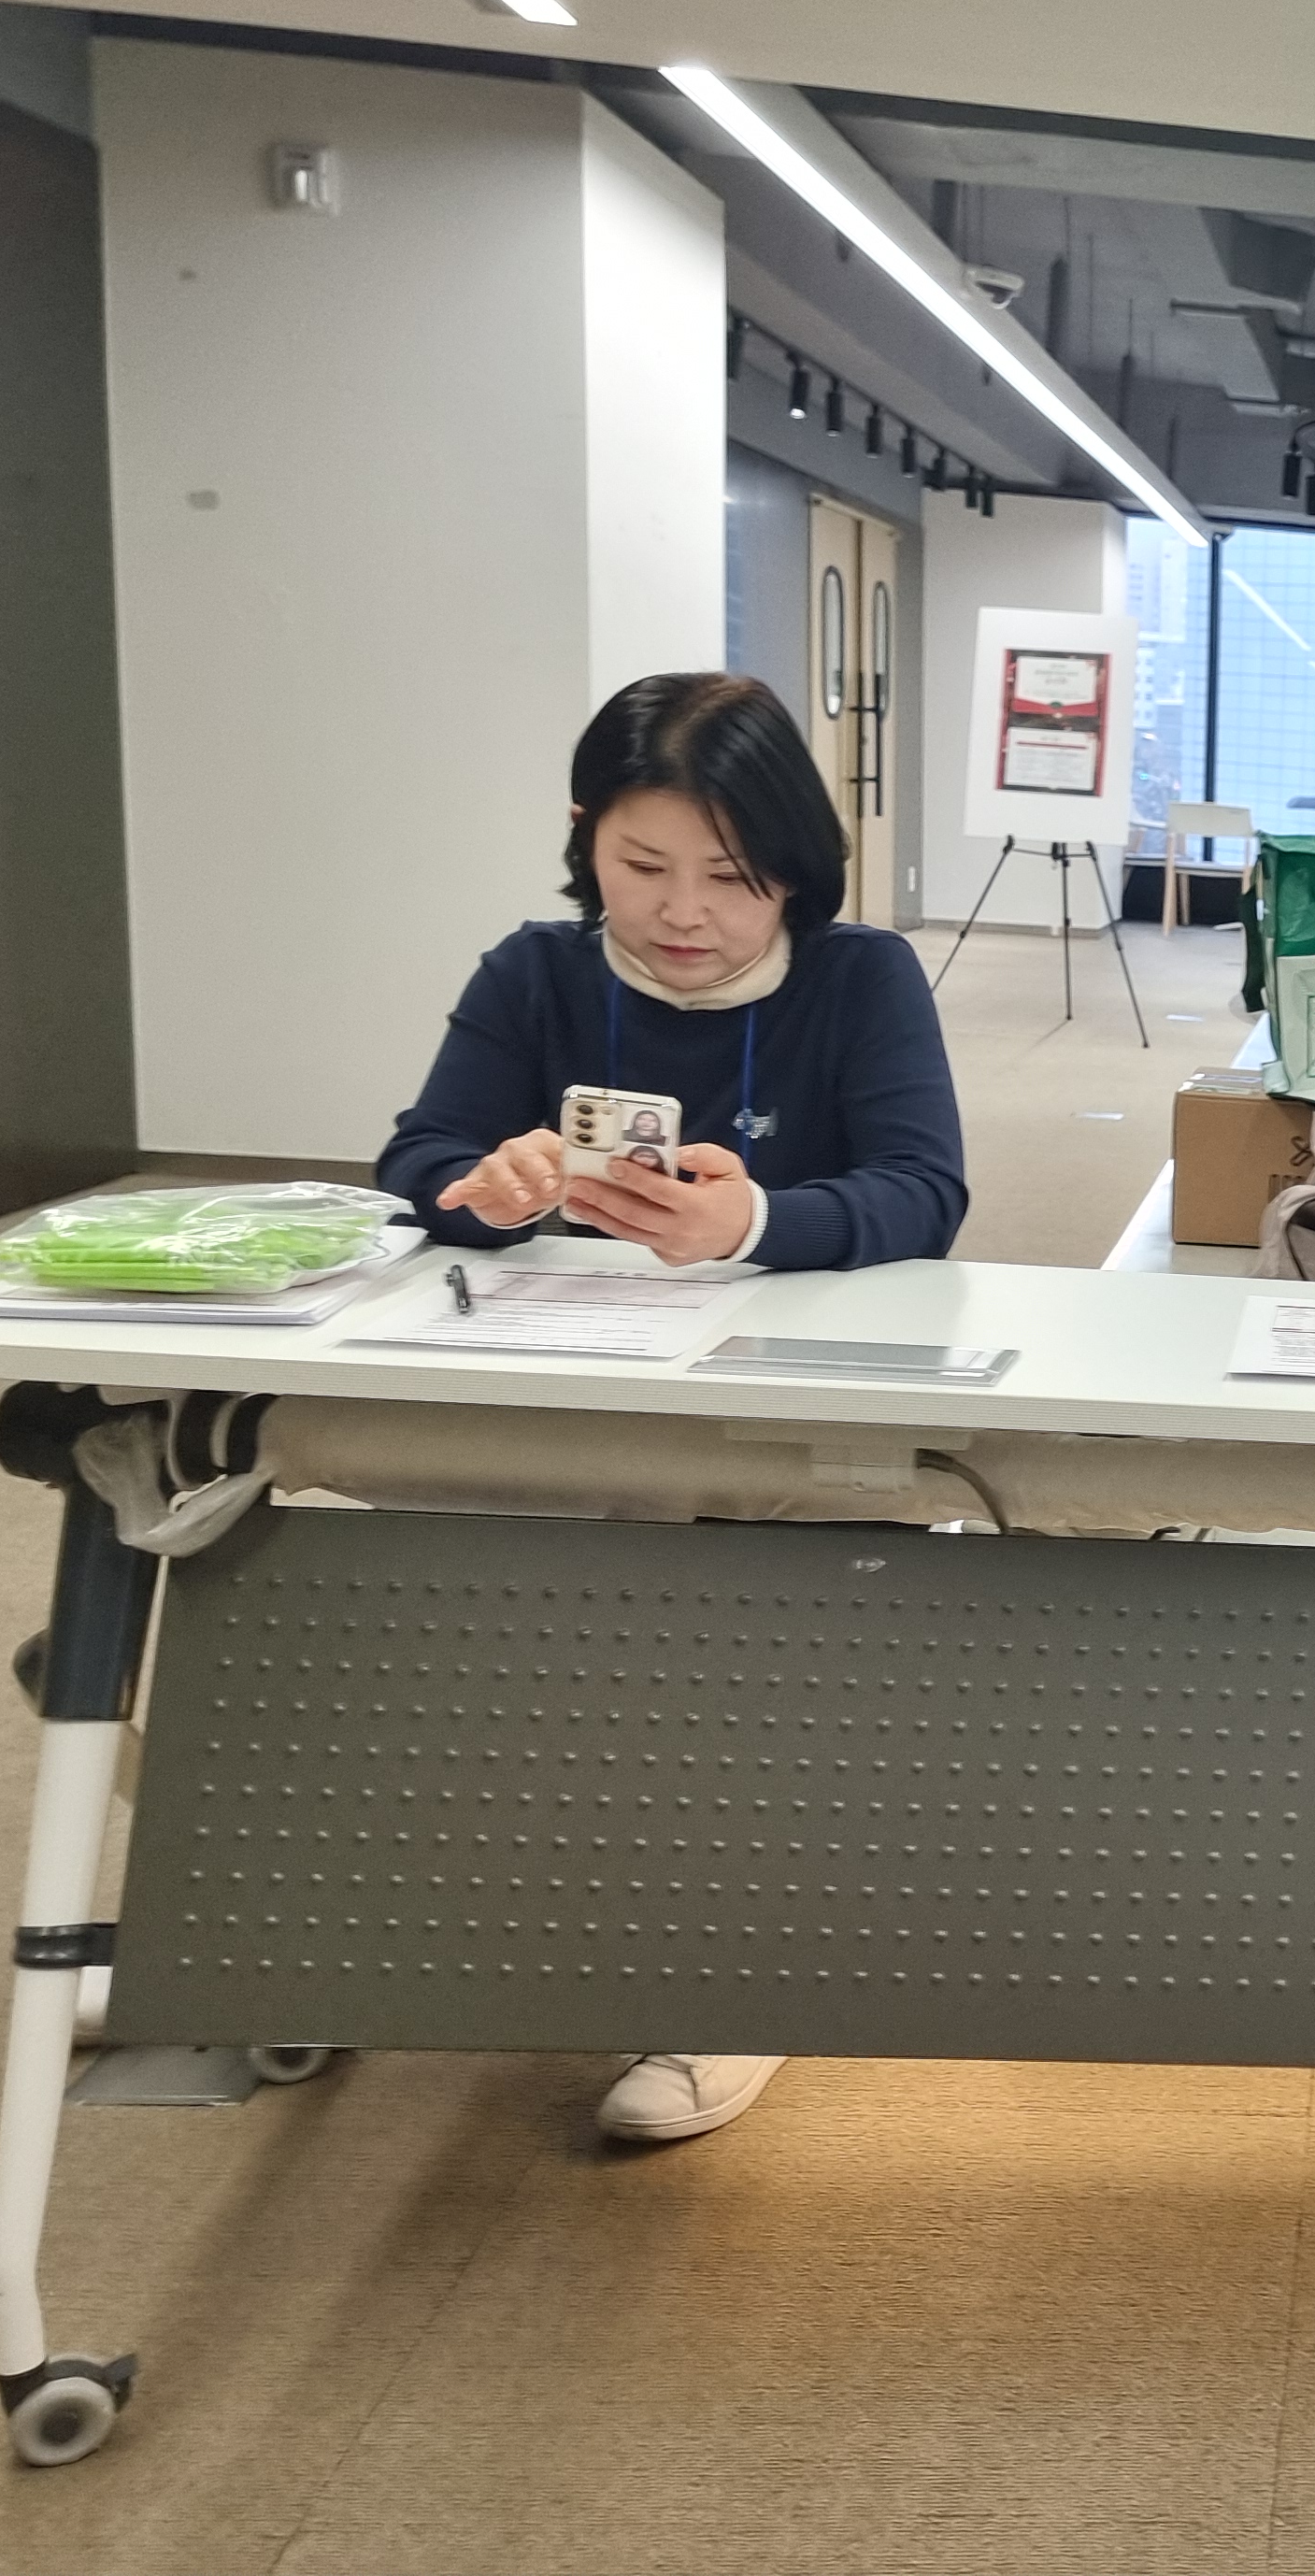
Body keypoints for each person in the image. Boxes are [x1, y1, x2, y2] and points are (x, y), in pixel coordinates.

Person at [378, 669, 970, 2146]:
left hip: (780, 1402)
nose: (683, 913)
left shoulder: (861, 980)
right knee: (411, 1577)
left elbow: (922, 1191)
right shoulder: (536, 974)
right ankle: (314, 1931)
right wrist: (485, 1188)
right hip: (569, 1386)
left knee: (734, 1628)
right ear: (586, 837)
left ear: (798, 874)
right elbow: (418, 1159)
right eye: (643, 867)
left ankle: (735, 1973)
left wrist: (753, 1221)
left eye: (734, 878)